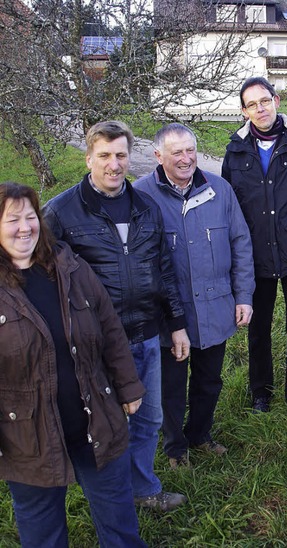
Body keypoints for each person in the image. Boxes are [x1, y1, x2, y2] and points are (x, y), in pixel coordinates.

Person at [43, 121, 190, 512]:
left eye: (121, 155)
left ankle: (142, 489)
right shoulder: (61, 211)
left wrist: (176, 324)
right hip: (93, 344)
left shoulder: (146, 207)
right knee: (105, 426)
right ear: (89, 157)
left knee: (149, 419)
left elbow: (164, 269)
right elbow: (40, 276)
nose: (114, 164)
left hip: (145, 334)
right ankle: (110, 499)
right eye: (104, 155)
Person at [0, 182, 147, 547]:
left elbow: (111, 328)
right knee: (42, 530)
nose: (24, 227)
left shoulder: (68, 266)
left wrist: (129, 386)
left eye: (30, 217)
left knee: (118, 519)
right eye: (12, 219)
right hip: (27, 436)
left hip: (95, 416)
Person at [134, 123, 255, 467]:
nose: (186, 159)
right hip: (169, 315)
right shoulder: (141, 196)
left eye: (190, 150)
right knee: (171, 387)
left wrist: (244, 295)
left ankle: (200, 435)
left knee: (209, 380)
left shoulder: (219, 190)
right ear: (158, 156)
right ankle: (175, 448)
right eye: (177, 152)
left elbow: (240, 243)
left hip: (216, 306)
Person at [221, 77, 287, 429]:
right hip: (255, 256)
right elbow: (229, 207)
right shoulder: (235, 152)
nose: (260, 109)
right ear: (244, 111)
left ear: (276, 100)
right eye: (252, 105)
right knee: (257, 326)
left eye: (265, 101)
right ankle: (260, 392)